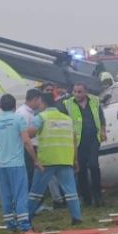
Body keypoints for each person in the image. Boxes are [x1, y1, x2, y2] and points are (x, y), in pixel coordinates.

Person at [27, 93, 83, 225]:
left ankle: (26, 217)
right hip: (65, 159)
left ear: (42, 102)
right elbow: (74, 140)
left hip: (47, 160)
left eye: (39, 103)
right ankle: (77, 217)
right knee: (71, 191)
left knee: (36, 191)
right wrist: (75, 159)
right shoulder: (67, 119)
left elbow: (29, 134)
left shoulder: (41, 117)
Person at [0, 94, 38, 232]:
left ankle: (10, 224)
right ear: (14, 106)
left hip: (2, 164)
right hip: (17, 163)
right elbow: (27, 142)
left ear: (1, 107)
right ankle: (24, 225)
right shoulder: (18, 119)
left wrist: (3, 140)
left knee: (6, 195)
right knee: (20, 194)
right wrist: (35, 159)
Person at [17, 89, 66, 209]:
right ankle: (35, 204)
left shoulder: (32, 112)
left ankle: (49, 200)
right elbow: (26, 135)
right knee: (33, 176)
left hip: (37, 147)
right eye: (39, 101)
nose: (40, 104)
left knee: (45, 174)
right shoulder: (22, 114)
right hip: (29, 148)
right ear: (34, 99)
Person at [60, 82, 106, 207]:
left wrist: (102, 130)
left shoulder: (95, 101)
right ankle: (86, 198)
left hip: (93, 139)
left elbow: (101, 117)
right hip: (77, 141)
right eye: (75, 91)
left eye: (80, 92)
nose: (77, 94)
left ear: (86, 92)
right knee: (81, 170)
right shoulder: (67, 104)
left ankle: (98, 196)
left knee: (94, 165)